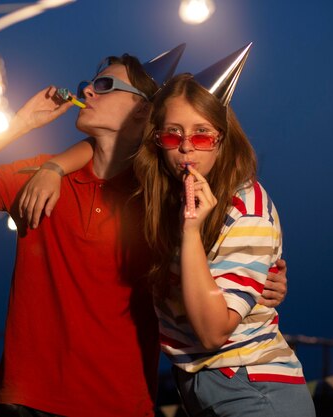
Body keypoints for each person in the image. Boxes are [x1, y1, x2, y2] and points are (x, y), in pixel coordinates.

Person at [0, 46, 288, 417]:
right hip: (27, 399)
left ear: (143, 110)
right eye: (90, 84)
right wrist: (23, 124)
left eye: (105, 84)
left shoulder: (160, 196)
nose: (88, 92)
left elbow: (219, 255)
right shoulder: (42, 178)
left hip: (120, 403)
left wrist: (266, 279)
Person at [133, 45, 316, 416]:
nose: (186, 149)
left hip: (254, 390)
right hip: (202, 388)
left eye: (202, 135)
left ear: (222, 139)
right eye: (172, 135)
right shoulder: (164, 197)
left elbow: (214, 332)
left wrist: (190, 232)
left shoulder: (245, 207)